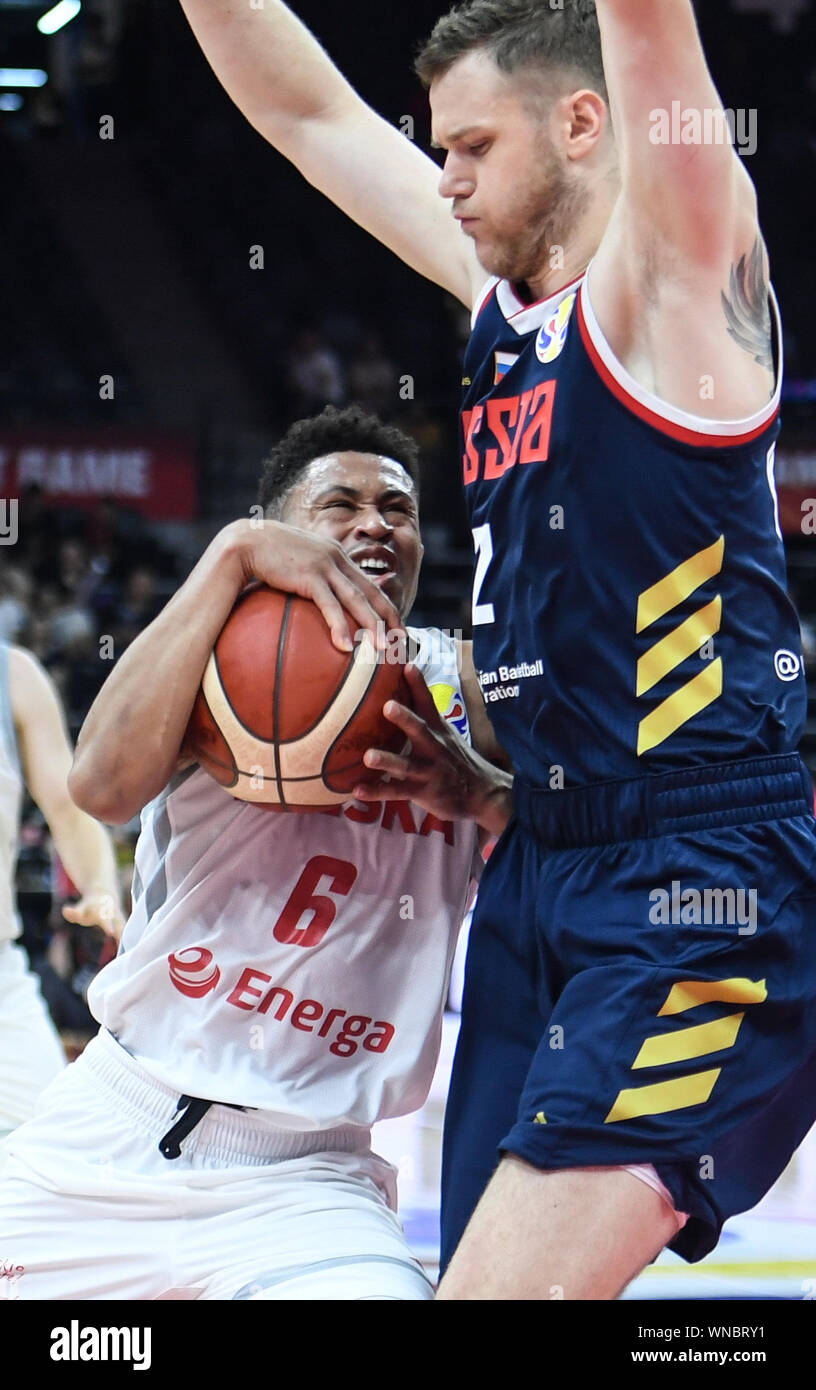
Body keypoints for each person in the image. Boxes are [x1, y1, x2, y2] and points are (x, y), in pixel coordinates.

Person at [179, 0, 816, 1298]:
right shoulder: (502, 306)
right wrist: (505, 790)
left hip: (696, 884)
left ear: (587, 125)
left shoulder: (678, 287)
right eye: (440, 151)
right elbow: (309, 117)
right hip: (543, 858)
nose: (447, 179)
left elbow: (650, 34)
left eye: (472, 147)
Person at [0, 405, 512, 1301]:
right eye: (341, 505)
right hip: (112, 1127)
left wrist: (479, 796)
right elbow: (102, 787)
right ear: (279, 531)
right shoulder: (207, 656)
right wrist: (230, 556)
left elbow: (590, 845)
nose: (375, 524)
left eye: (397, 509)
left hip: (310, 1178)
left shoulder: (468, 683)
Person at [0, 638, 124, 1173]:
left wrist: (99, 884)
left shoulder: (14, 674)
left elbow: (70, 812)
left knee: (60, 1167)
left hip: (3, 982)